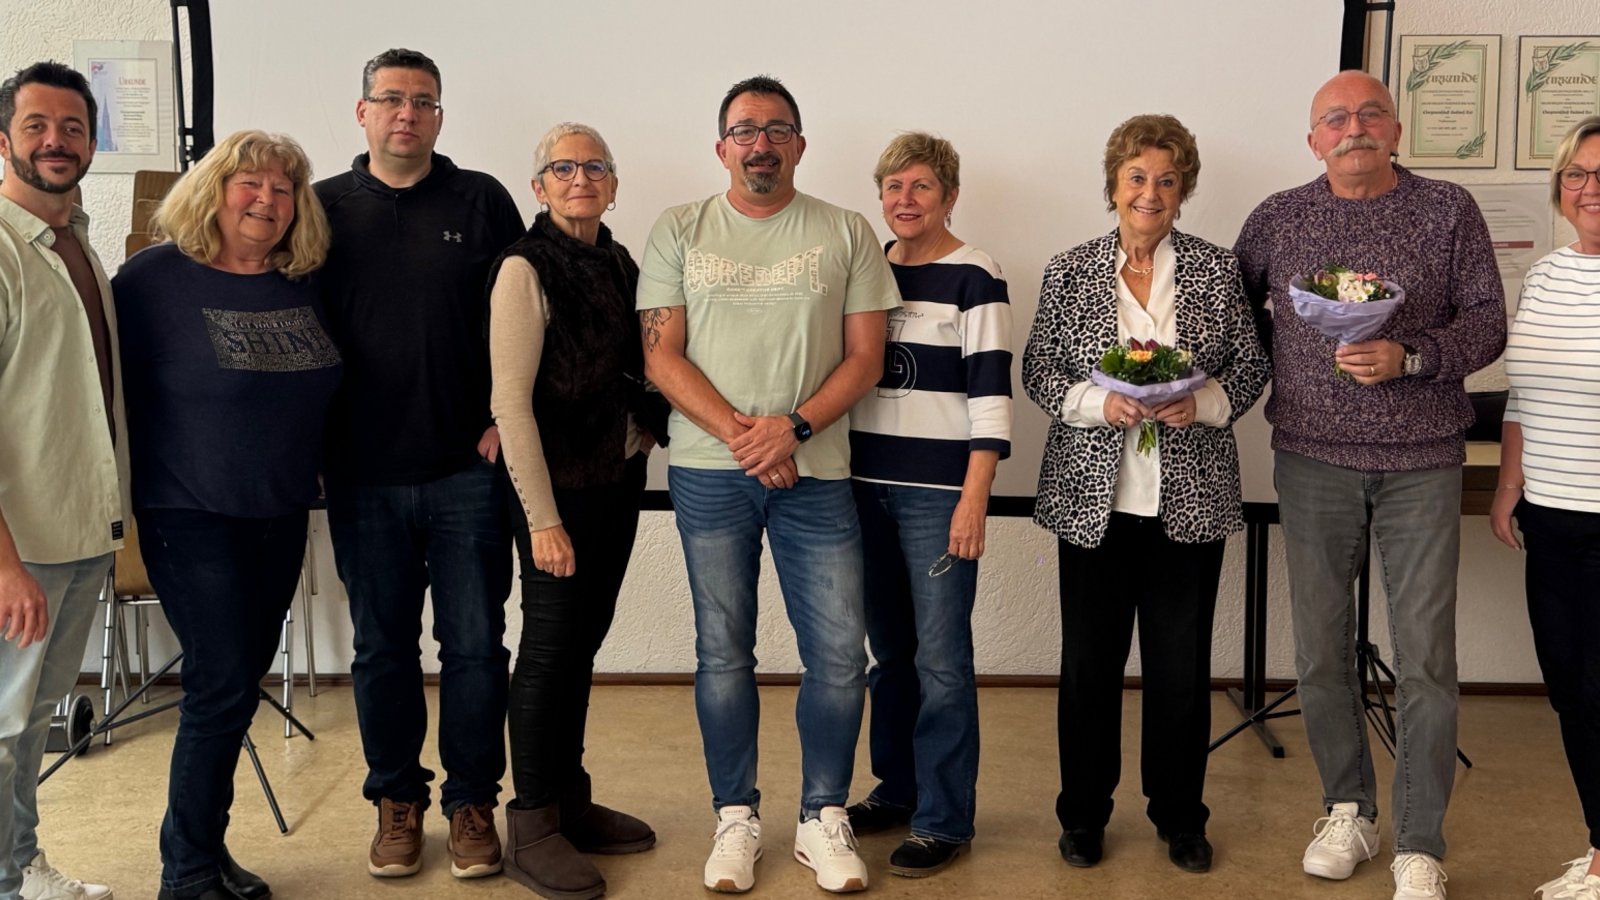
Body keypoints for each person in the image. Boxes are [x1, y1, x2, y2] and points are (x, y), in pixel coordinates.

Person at [1234, 70, 1506, 900]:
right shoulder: (1277, 218)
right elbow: (1237, 323)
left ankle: (1420, 840)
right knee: (1320, 653)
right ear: (1313, 138)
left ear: (1395, 127)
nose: (1354, 127)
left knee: (1426, 658)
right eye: (1335, 118)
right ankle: (1347, 807)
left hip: (1423, 459)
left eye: (1369, 113)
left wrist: (1411, 357)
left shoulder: (1448, 208)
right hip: (1310, 458)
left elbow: (1489, 319)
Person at [637, 74, 899, 894]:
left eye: (777, 128)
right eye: (745, 129)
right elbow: (661, 355)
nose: (761, 142)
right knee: (723, 654)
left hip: (816, 472)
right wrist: (750, 438)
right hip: (712, 475)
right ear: (722, 148)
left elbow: (867, 358)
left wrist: (792, 428)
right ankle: (735, 817)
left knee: (836, 657)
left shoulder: (846, 230)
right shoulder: (679, 228)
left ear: (799, 145)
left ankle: (824, 815)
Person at [1023, 113, 1269, 877]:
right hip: (1092, 503)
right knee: (1088, 666)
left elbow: (1252, 368)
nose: (1150, 192)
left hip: (1188, 499)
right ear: (1113, 185)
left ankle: (1179, 816)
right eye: (1137, 177)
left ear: (1184, 188)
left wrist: (1204, 403)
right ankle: (1083, 816)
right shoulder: (1068, 270)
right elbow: (1039, 370)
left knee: (1181, 668)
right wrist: (1103, 405)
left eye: (1166, 179)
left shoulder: (1217, 270)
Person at [314, 48, 525, 880]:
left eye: (424, 102)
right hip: (361, 474)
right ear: (362, 112)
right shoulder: (322, 208)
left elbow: (527, 313)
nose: (407, 113)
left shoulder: (482, 200)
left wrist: (509, 418)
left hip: (465, 471)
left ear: (441, 116)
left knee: (476, 646)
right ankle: (395, 801)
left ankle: (473, 803)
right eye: (392, 99)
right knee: (382, 650)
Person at [114, 130, 339, 900]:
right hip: (188, 509)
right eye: (250, 184)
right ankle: (185, 873)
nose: (266, 201)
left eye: (283, 190)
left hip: (278, 513)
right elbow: (109, 397)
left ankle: (205, 850)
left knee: (239, 683)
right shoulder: (150, 282)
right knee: (218, 684)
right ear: (214, 189)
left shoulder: (301, 283)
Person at [487, 122, 665, 900]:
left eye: (595, 166)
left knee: (584, 641)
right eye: (563, 167)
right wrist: (543, 520)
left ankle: (570, 798)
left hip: (616, 480)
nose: (580, 177)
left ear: (614, 184)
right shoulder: (525, 269)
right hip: (555, 492)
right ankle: (530, 823)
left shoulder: (620, 262)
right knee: (550, 646)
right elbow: (510, 404)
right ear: (540, 187)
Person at [843, 132, 1011, 878]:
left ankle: (944, 818)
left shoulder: (977, 275)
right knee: (891, 655)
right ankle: (898, 789)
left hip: (939, 497)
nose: (903, 201)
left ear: (947, 195)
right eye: (892, 187)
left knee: (944, 661)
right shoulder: (864, 269)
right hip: (859, 489)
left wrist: (973, 500)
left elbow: (992, 399)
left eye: (919, 187)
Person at [0, 60, 122, 900]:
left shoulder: (78, 244)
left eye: (73, 127)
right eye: (38, 125)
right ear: (3, 138)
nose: (56, 141)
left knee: (32, 719)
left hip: (80, 531)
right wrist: (4, 563)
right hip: (23, 546)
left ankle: (19, 865)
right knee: (6, 723)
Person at [1490, 115, 1600, 900]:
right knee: (1572, 685)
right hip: (1556, 515)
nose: (1591, 189)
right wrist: (1508, 485)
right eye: (1577, 174)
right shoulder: (1553, 275)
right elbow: (1524, 389)